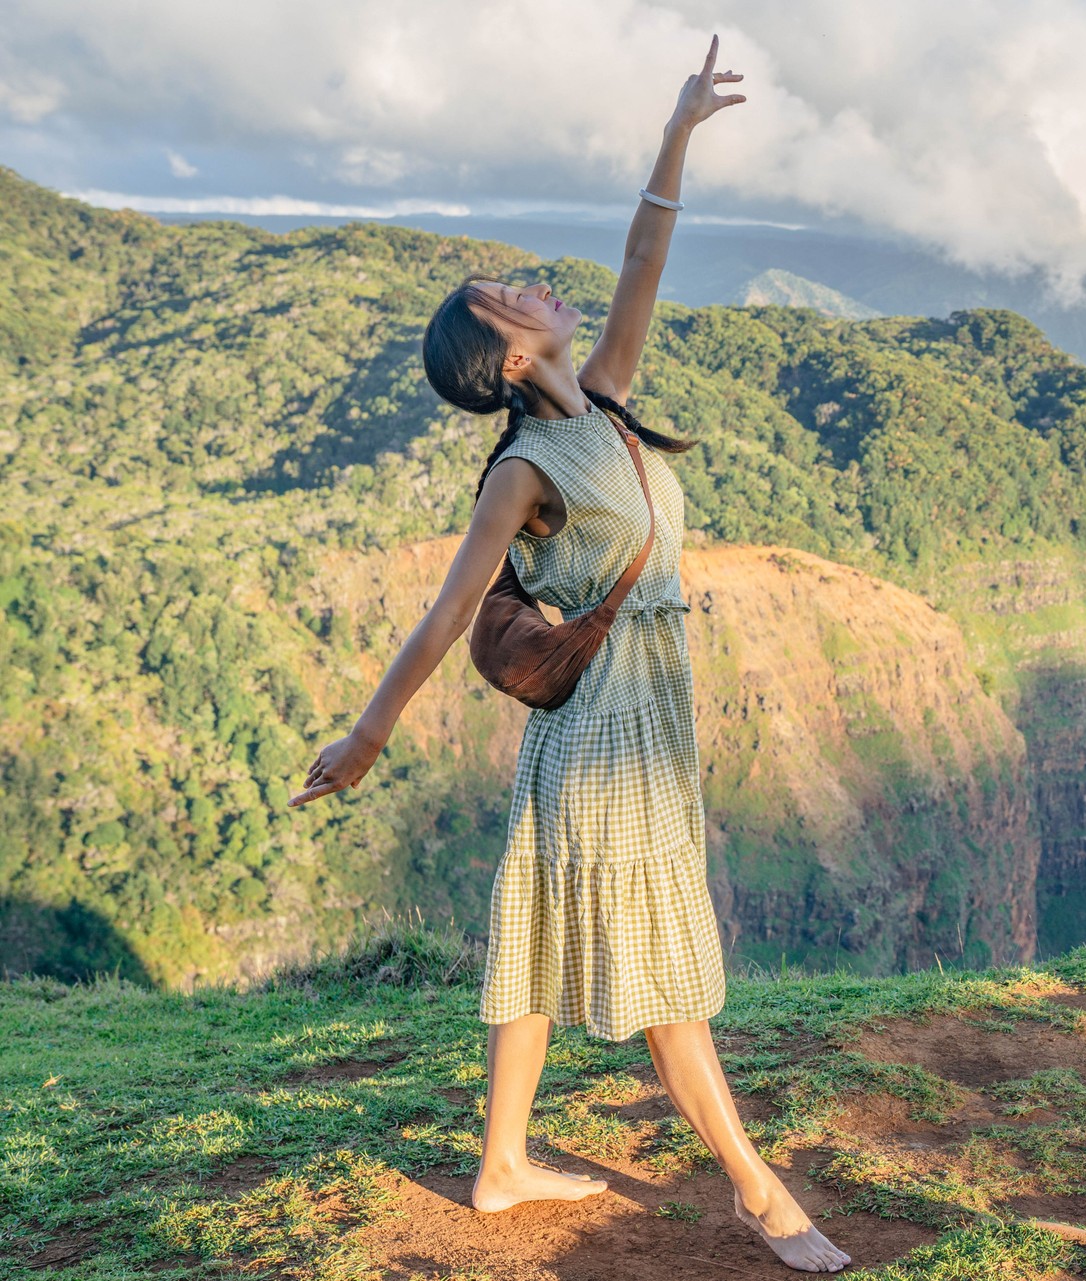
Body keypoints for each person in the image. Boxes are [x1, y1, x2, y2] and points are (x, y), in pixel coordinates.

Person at [289, 35, 850, 1275]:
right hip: (601, 739)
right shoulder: (525, 471)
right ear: (506, 356)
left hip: (644, 714)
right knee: (662, 976)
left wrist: (676, 133)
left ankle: (499, 1167)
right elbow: (447, 614)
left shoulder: (598, 397)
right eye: (516, 295)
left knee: (542, 938)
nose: (543, 286)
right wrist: (369, 737)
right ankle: (762, 1195)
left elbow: (642, 259)